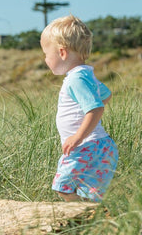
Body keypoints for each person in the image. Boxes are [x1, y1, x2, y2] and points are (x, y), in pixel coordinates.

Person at [40, 15, 118, 202]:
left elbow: (96, 108)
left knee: (63, 188)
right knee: (90, 196)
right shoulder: (86, 75)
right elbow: (106, 95)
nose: (45, 60)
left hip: (85, 146)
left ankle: (79, 220)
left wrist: (78, 136)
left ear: (62, 52)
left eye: (46, 54)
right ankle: (95, 221)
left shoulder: (76, 79)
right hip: (101, 145)